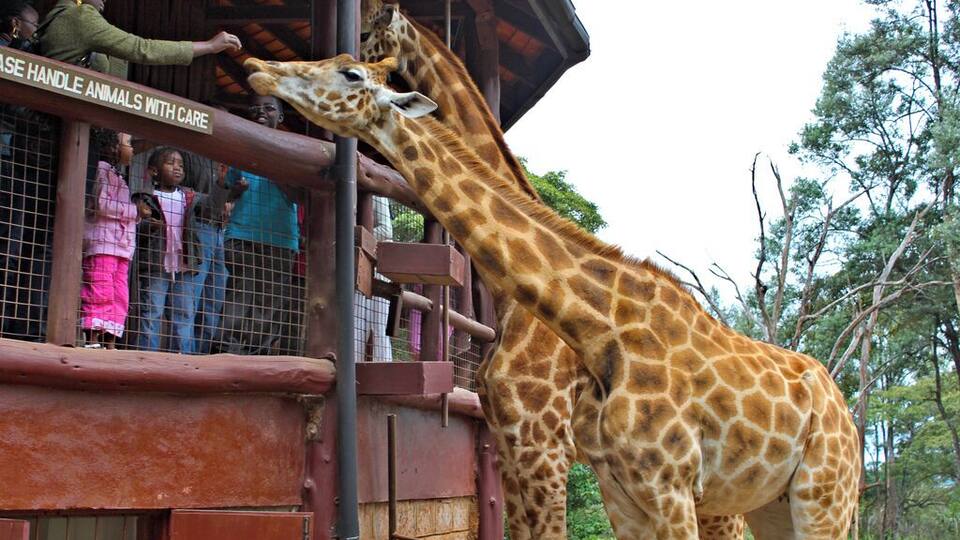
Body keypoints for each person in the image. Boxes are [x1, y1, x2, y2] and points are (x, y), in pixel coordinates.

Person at [219, 95, 301, 355]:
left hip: (280, 236)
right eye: (255, 108)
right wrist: (236, 190)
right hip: (242, 232)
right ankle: (229, 350)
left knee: (270, 300)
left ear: (281, 116)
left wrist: (276, 172)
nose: (261, 112)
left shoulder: (293, 151)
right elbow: (226, 193)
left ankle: (259, 355)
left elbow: (299, 195)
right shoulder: (240, 151)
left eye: (268, 108)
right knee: (240, 293)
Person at [134, 147, 233, 353]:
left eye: (180, 165)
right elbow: (136, 229)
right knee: (152, 311)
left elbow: (211, 209)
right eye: (170, 163)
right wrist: (149, 225)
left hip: (184, 264)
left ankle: (183, 359)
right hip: (156, 265)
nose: (177, 168)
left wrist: (221, 184)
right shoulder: (145, 197)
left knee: (184, 314)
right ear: (154, 171)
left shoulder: (190, 198)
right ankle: (145, 358)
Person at [0, 1, 54, 340]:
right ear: (15, 24)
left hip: (17, 161)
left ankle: (14, 325)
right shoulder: (10, 56)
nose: (38, 33)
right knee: (10, 243)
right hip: (8, 156)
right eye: (35, 25)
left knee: (19, 245)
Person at [36, 0, 241, 78]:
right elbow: (142, 49)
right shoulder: (81, 17)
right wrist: (209, 46)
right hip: (65, 130)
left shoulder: (56, 15)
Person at [179, 151, 246, 354]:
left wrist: (231, 198)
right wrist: (215, 198)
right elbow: (182, 190)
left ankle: (202, 358)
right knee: (189, 299)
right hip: (199, 226)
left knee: (214, 303)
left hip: (223, 230)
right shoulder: (190, 154)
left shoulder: (236, 160)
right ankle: (184, 357)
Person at [80, 129, 142, 349]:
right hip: (103, 243)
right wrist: (135, 211)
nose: (132, 148)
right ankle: (93, 337)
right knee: (99, 288)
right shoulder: (99, 171)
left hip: (121, 247)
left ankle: (111, 341)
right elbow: (101, 205)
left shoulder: (119, 177)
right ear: (113, 147)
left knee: (120, 294)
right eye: (129, 143)